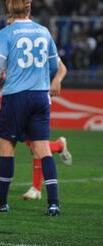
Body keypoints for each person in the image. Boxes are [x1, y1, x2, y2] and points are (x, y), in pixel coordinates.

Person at [0, 0, 61, 216]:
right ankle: (53, 203)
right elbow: (54, 67)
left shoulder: (6, 33)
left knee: (7, 148)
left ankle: (1, 201)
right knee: (43, 148)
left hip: (16, 96)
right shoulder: (44, 32)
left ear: (8, 9)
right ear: (29, 8)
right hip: (41, 96)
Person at [22, 61, 72, 200]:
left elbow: (62, 67)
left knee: (36, 145)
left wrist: (56, 80)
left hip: (38, 99)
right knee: (33, 146)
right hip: (21, 98)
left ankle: (36, 188)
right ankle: (59, 145)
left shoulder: (42, 41)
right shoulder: (19, 43)